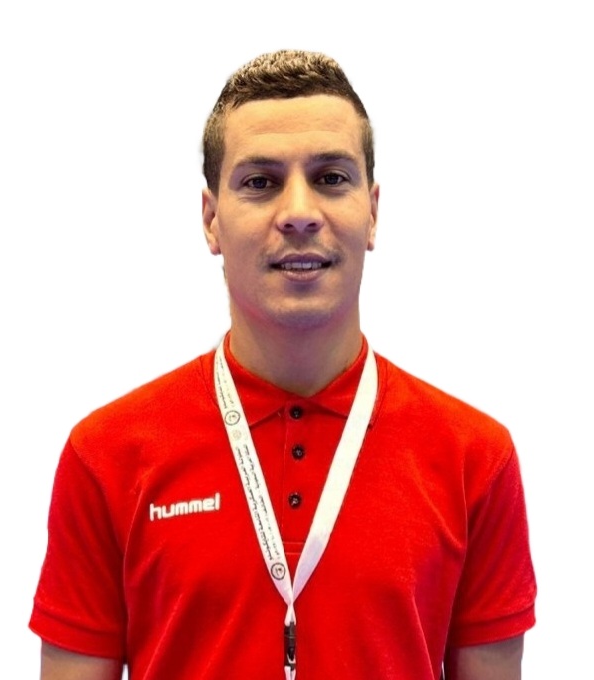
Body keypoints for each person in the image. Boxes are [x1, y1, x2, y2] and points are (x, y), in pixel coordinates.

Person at [30, 50, 536, 679]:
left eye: (331, 177)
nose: (299, 211)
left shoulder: (474, 459)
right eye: (261, 182)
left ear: (372, 212)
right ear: (211, 220)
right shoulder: (106, 456)